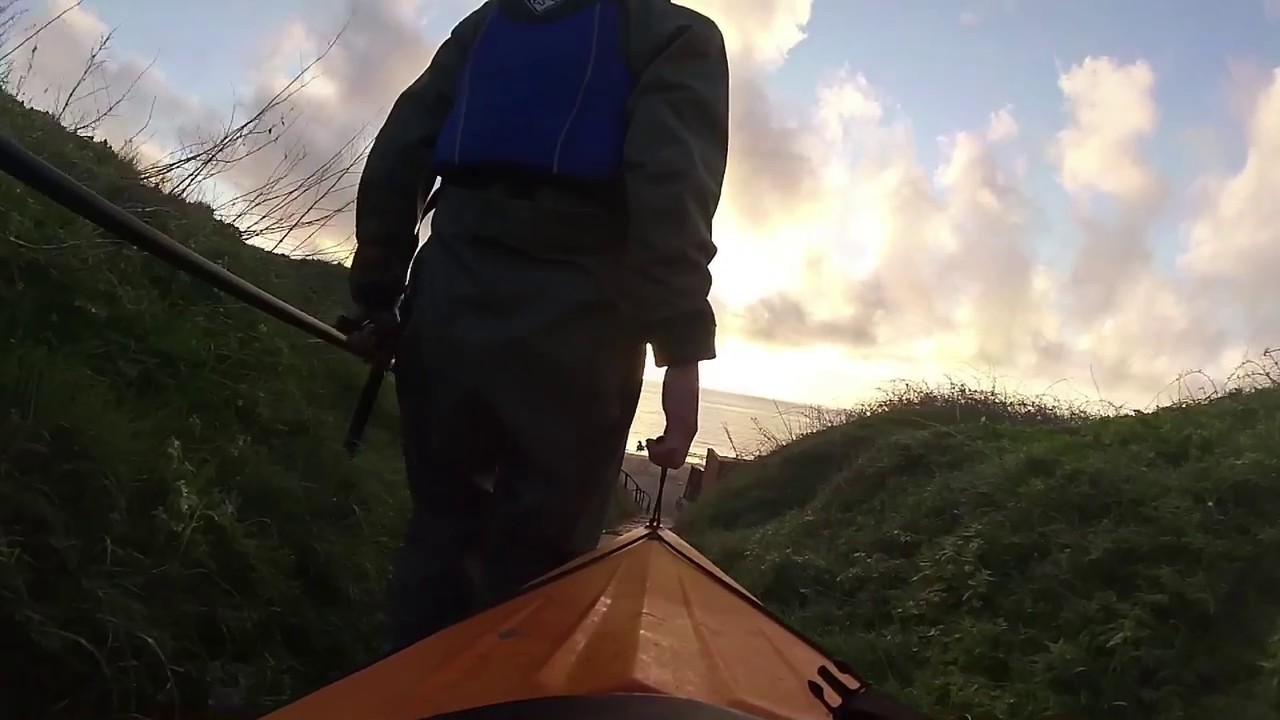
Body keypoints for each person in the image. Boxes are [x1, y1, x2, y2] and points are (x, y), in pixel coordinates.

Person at [344, 0, 729, 655]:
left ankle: (407, 689)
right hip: (580, 327)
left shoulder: (486, 26)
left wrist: (377, 299)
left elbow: (400, 153)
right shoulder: (676, 34)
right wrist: (683, 351)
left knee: (440, 534)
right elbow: (671, 191)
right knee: (541, 559)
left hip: (448, 303)